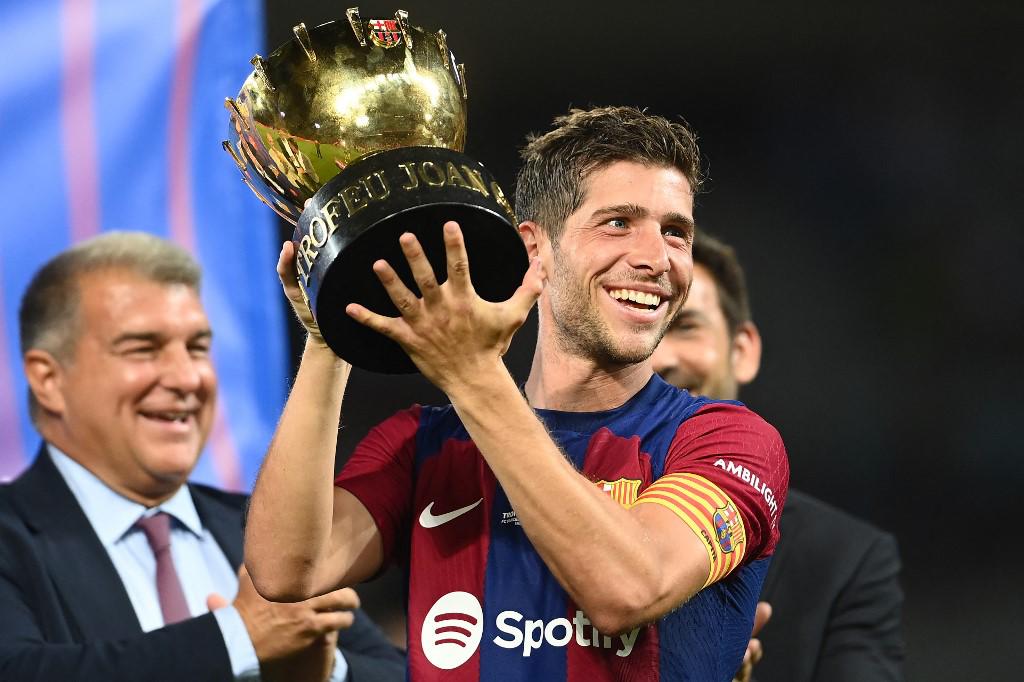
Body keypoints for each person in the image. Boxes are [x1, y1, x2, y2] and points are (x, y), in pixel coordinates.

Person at [245, 106, 790, 681]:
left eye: (674, 231)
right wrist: (327, 340)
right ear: (535, 248)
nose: (656, 259)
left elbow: (629, 588)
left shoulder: (730, 441)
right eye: (618, 224)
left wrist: (472, 374)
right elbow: (286, 571)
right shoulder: (422, 444)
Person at [0, 232, 405, 682]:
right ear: (48, 379)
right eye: (143, 348)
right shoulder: (11, 534)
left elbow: (400, 673)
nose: (187, 377)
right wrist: (239, 638)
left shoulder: (261, 535)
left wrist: (323, 669)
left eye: (197, 348)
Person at [652, 231, 904, 681]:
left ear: (742, 351)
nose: (659, 359)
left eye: (686, 326)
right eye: (643, 328)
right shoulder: (544, 520)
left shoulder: (845, 560)